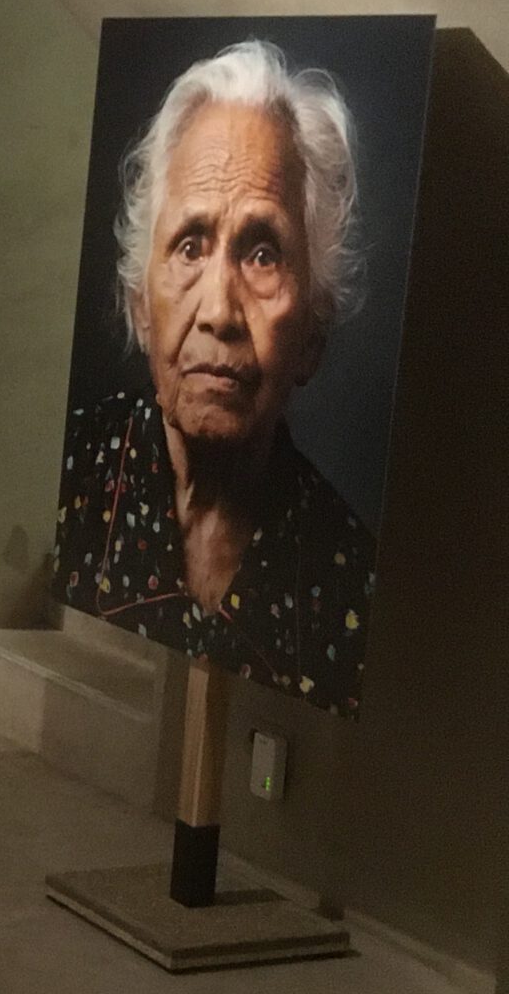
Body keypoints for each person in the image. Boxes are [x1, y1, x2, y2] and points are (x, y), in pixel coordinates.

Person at [56, 39, 378, 713]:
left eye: (263, 255)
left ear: (313, 333)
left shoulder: (352, 581)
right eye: (190, 245)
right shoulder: (70, 478)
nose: (219, 312)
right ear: (140, 305)